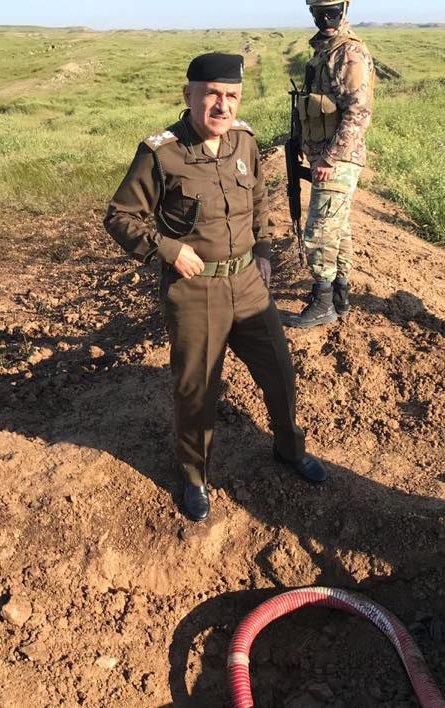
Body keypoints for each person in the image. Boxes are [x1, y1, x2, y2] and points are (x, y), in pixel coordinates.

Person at [103, 53, 328, 522]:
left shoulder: (243, 142)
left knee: (280, 375)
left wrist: (263, 250)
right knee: (197, 392)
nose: (222, 106)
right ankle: (194, 477)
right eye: (212, 95)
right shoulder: (161, 153)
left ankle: (289, 449)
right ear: (189, 96)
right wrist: (167, 251)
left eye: (231, 96)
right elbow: (120, 216)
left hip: (247, 284)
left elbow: (260, 199)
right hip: (195, 291)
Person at [284, 0, 374, 329]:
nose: (326, 18)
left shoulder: (347, 52)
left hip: (337, 158)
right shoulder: (324, 51)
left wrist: (329, 158)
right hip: (325, 154)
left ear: (344, 9)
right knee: (338, 228)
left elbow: (358, 112)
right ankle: (339, 295)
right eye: (319, 12)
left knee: (320, 230)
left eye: (332, 11)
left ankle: (323, 301)